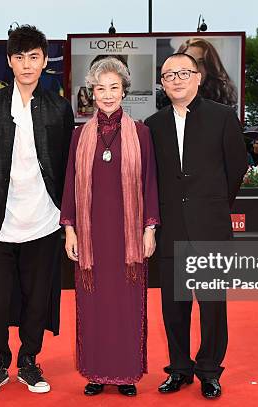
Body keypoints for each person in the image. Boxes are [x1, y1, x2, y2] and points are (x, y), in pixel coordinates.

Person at [0, 25, 74, 397]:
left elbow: (68, 169)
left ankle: (29, 362)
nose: (27, 64)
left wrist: (69, 220)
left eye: (34, 57)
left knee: (36, 299)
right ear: (10, 62)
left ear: (44, 61)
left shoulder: (60, 108)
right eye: (20, 57)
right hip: (0, 222)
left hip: (44, 221)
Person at [144, 53, 248, 399]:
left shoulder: (222, 118)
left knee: (212, 307)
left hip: (210, 228)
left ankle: (209, 371)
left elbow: (236, 171)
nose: (176, 79)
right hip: (170, 229)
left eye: (183, 73)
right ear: (162, 83)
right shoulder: (152, 125)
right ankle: (179, 369)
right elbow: (151, 180)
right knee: (174, 308)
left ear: (198, 77)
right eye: (168, 75)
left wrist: (213, 207)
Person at [60, 57, 160, 397]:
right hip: (91, 238)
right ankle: (96, 373)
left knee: (126, 305)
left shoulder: (142, 133)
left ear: (124, 91)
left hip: (128, 237)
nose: (106, 95)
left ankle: (127, 374)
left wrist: (149, 229)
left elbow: (150, 185)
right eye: (100, 88)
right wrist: (69, 229)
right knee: (94, 304)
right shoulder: (78, 136)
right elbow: (70, 184)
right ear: (91, 92)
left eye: (113, 88)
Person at [177, 38, 238, 108]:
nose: (195, 69)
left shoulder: (224, 98)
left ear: (210, 65)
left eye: (201, 62)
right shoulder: (166, 99)